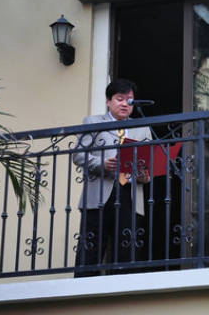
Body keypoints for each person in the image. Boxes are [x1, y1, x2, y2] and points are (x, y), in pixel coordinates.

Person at [73, 78, 152, 277]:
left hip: (129, 194)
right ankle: (84, 287)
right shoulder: (93, 122)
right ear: (108, 101)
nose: (125, 104)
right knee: (91, 248)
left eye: (129, 100)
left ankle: (124, 290)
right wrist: (102, 164)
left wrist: (144, 175)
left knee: (127, 249)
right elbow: (79, 155)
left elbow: (148, 164)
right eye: (119, 99)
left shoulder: (142, 127)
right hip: (100, 193)